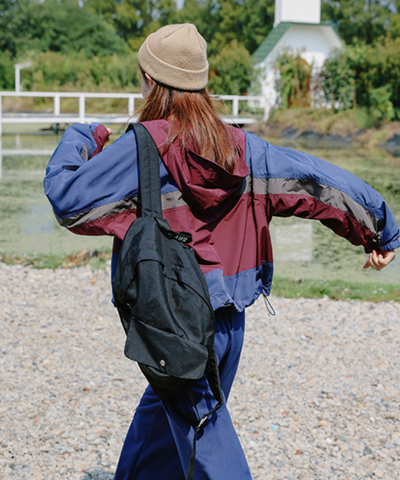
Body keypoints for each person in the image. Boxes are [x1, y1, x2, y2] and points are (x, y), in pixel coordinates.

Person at [44, 23, 398, 480]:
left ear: (151, 81)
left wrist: (82, 135)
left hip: (173, 320)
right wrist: (379, 229)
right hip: (229, 319)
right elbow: (318, 182)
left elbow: (68, 198)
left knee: (208, 440)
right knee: (163, 424)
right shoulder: (245, 148)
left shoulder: (143, 147)